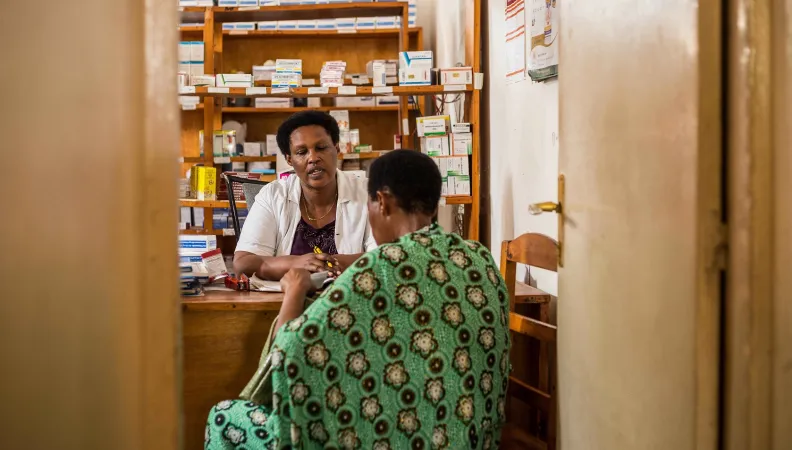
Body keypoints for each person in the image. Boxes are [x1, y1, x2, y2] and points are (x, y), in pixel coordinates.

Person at [205, 150, 511, 450]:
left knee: (223, 417)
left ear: (382, 202)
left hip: (388, 435)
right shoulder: (478, 258)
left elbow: (286, 355)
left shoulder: (376, 270)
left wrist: (295, 293)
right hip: (465, 433)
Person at [234, 111, 377, 280]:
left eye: (321, 148)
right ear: (289, 159)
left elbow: (386, 256)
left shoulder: (369, 192)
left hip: (351, 301)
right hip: (284, 301)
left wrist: (330, 262)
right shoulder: (273, 195)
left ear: (336, 149)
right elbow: (243, 263)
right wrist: (296, 264)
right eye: (302, 152)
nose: (313, 158)